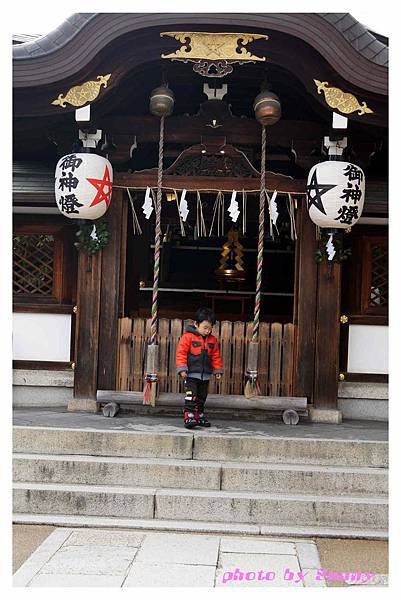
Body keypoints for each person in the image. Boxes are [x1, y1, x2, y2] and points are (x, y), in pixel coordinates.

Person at [176, 307, 223, 429]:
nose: (208, 331)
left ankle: (199, 415)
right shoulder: (187, 337)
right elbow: (181, 353)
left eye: (210, 328)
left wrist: (217, 370)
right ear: (196, 324)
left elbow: (216, 356)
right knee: (191, 395)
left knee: (202, 397)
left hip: (205, 375)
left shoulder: (213, 340)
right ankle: (189, 415)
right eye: (205, 327)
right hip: (190, 374)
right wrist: (182, 369)